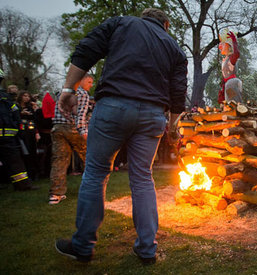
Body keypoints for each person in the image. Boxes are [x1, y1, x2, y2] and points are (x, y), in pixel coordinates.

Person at [54, 8, 187, 265]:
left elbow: (86, 51)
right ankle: (147, 249)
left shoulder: (121, 24)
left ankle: (83, 245)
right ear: (166, 26)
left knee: (96, 172)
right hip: (152, 114)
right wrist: (172, 125)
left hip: (114, 105)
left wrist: (68, 89)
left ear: (144, 17)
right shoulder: (174, 48)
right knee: (142, 178)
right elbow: (178, 91)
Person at [48, 75, 93, 205]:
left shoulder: (64, 91)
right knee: (89, 157)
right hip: (73, 128)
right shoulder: (82, 93)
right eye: (89, 82)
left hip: (57, 128)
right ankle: (92, 190)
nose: (90, 85)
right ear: (82, 80)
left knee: (59, 160)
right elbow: (80, 115)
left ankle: (56, 194)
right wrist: (84, 132)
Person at [0, 69, 38, 191]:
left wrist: (17, 129)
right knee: (15, 162)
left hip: (9, 138)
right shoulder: (6, 98)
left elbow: (15, 114)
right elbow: (16, 114)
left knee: (16, 162)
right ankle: (23, 185)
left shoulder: (5, 97)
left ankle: (23, 185)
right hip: (9, 137)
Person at [16, 91, 40, 180]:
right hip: (21, 132)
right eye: (24, 96)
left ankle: (34, 173)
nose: (27, 98)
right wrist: (21, 113)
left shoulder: (30, 107)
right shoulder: (16, 107)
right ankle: (25, 173)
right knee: (24, 153)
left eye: (28, 96)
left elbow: (36, 119)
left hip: (31, 131)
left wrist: (34, 110)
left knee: (32, 152)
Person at [218, 29, 242, 104]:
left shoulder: (231, 58)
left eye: (223, 44)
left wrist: (234, 41)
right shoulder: (225, 59)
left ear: (229, 46)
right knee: (227, 105)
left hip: (232, 83)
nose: (220, 46)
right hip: (227, 84)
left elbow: (237, 54)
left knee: (232, 104)